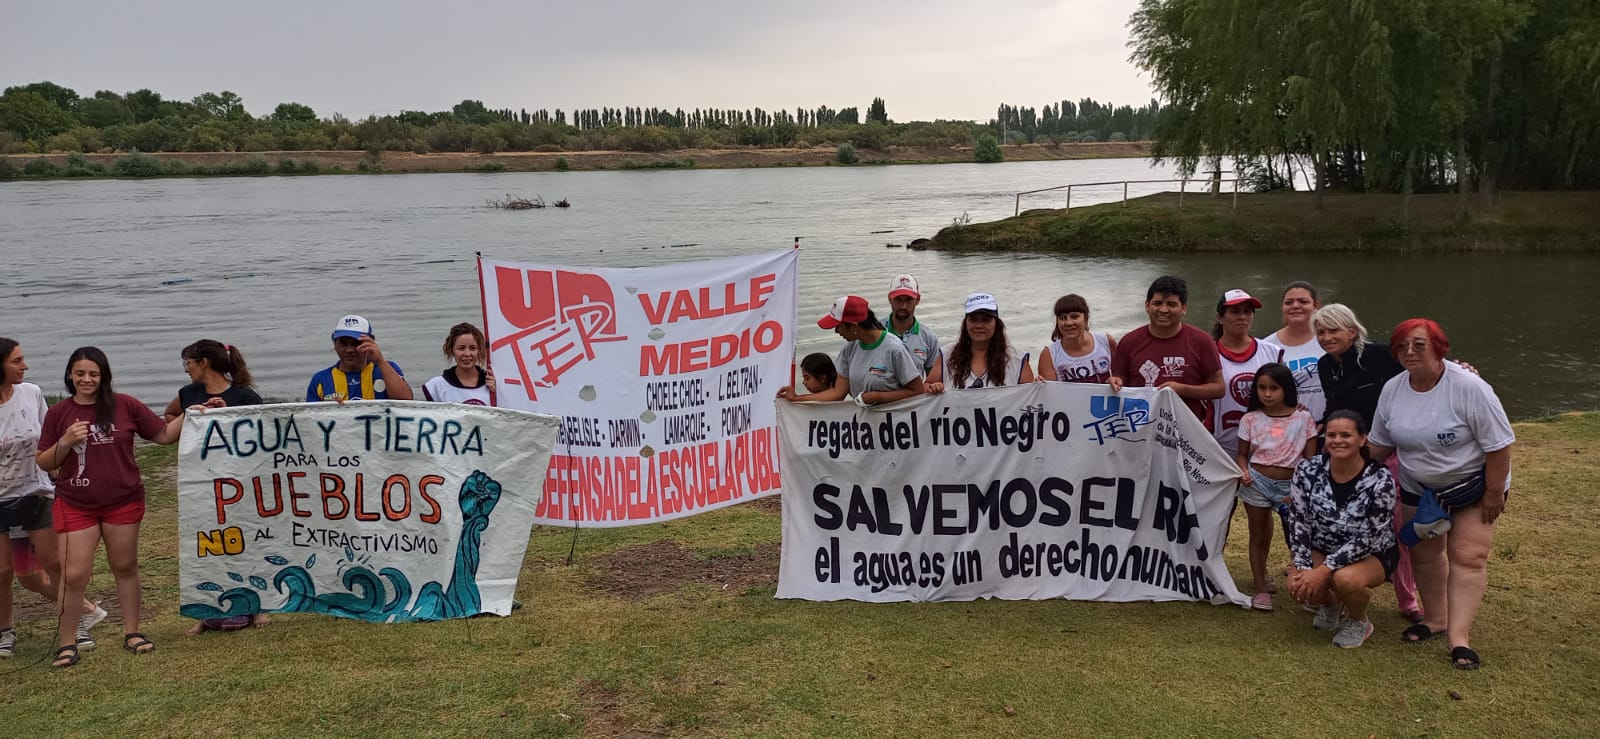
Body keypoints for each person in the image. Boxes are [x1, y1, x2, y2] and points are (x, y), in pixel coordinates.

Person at [1368, 319, 1514, 670]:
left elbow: (1498, 446)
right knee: (1426, 555)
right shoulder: (1393, 389)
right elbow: (1379, 443)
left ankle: (1459, 639)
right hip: (1419, 487)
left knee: (1469, 555)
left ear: (1439, 347)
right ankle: (1435, 618)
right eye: (1402, 346)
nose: (1409, 352)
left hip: (1473, 485)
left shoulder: (1468, 386)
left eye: (1419, 344)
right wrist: (1335, 467)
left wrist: (1494, 493)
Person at [36, 347, 186, 668]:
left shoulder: (126, 405)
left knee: (125, 566)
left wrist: (196, 412)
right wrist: (64, 442)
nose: (87, 379)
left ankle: (133, 632)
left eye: (93, 373)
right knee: (74, 575)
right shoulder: (58, 413)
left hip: (123, 501)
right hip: (76, 503)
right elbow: (44, 461)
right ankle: (67, 642)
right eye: (80, 374)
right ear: (70, 376)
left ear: (104, 376)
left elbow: (162, 434)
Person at [1312, 303, 1423, 623]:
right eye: (1320, 332)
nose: (1327, 337)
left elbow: (1420, 376)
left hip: (1385, 453)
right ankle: (1333, 584)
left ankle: (1407, 598)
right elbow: (1336, 406)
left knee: (1397, 525)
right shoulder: (1324, 365)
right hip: (1343, 453)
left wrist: (1461, 370)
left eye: (1334, 330)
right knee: (1338, 521)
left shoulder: (1377, 356)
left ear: (1352, 330)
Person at [1, 338, 106, 660]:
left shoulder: (31, 393)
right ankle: (5, 631)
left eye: (23, 359)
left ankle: (74, 624)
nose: (25, 366)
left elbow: (51, 439)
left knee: (54, 563)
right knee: (4, 572)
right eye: (17, 361)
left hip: (37, 491)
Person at [1285, 410, 1400, 649]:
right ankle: (1330, 604)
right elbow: (1298, 520)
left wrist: (1324, 570)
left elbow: (1368, 537)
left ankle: (1359, 621)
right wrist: (1304, 567)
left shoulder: (1380, 479)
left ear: (1363, 439)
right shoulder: (1307, 470)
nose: (1338, 441)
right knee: (1299, 583)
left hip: (1372, 553)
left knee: (1344, 579)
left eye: (1346, 435)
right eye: (1331, 435)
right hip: (1321, 545)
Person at [1234, 363, 1318, 610]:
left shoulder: (1303, 418)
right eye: (1261, 388)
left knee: (1298, 539)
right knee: (1257, 536)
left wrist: (1300, 489)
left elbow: (1311, 461)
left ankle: (1308, 588)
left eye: (1274, 388)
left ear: (1286, 389)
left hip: (1291, 486)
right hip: (1257, 482)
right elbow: (1242, 454)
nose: (1267, 394)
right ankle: (1260, 587)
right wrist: (1244, 471)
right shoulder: (1250, 419)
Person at [1109, 275, 1224, 426]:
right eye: (1157, 303)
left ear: (1184, 308)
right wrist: (1116, 382)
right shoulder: (1129, 341)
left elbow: (1219, 388)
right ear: (1147, 305)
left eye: (1171, 304)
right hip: (1140, 428)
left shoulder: (1202, 341)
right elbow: (1119, 379)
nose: (1163, 310)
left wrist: (1182, 389)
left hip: (1186, 431)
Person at [777, 296, 924, 404]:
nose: (836, 331)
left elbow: (917, 391)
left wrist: (879, 397)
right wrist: (796, 399)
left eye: (838, 326)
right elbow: (838, 392)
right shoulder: (849, 349)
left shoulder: (894, 349)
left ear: (853, 326)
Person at [1211, 289, 1281, 458]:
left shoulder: (1272, 352)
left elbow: (1283, 399)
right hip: (1217, 447)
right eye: (1234, 312)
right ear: (1220, 318)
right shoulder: (1208, 352)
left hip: (1264, 445)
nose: (1242, 317)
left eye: (1247, 311)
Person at [930, 293, 1034, 391]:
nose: (979, 325)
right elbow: (926, 389)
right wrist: (933, 388)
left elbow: (1031, 395)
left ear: (996, 324)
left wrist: (1041, 386)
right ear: (965, 323)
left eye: (986, 320)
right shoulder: (947, 355)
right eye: (973, 319)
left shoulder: (1017, 359)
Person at [1261, 281, 1326, 425]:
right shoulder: (1267, 346)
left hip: (1325, 427)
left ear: (1316, 306)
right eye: (1289, 302)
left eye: (1303, 301)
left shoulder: (1327, 341)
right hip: (1283, 427)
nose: (1295, 306)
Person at [306, 314, 413, 402]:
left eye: (356, 343)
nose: (349, 350)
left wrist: (380, 360)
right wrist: (330, 410)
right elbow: (309, 420)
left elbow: (406, 402)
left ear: (371, 342)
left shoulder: (387, 369)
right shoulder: (321, 380)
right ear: (334, 344)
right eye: (343, 343)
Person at [162, 339, 262, 421]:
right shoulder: (188, 392)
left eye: (188, 362)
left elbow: (259, 428)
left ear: (203, 363)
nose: (186, 370)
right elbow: (170, 414)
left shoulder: (246, 397)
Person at [1037, 294, 1117, 384]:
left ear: (1086, 318)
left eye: (1074, 316)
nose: (1068, 323)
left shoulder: (1106, 341)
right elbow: (1049, 395)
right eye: (1062, 318)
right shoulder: (1049, 355)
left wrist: (1116, 380)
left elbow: (1122, 377)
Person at [885, 274, 943, 385]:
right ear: (889, 299)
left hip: (914, 401)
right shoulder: (875, 331)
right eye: (898, 299)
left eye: (909, 300)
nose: (903, 306)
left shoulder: (928, 337)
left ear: (917, 299)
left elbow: (933, 380)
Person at [423, 323, 495, 405]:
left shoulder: (494, 384)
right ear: (451, 350)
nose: (467, 353)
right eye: (461, 348)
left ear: (479, 350)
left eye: (472, 348)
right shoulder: (436, 386)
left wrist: (499, 394)